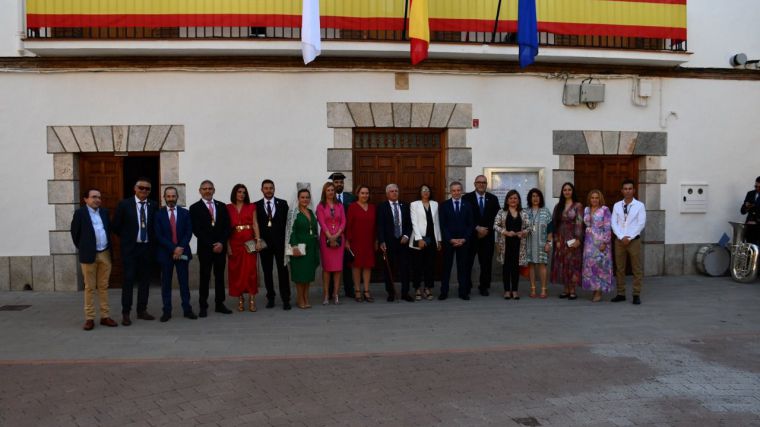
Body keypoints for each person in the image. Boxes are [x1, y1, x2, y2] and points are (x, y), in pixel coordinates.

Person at [111, 177, 157, 326]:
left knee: (145, 281)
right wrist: (127, 239)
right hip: (130, 249)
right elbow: (116, 226)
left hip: (147, 248)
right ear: (135, 189)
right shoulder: (124, 205)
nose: (144, 191)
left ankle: (142, 310)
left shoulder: (153, 205)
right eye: (141, 188)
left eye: (147, 189)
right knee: (128, 280)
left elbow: (155, 227)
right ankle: (126, 312)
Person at [70, 188, 118, 330]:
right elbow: (75, 234)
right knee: (89, 287)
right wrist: (85, 247)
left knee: (103, 287)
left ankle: (105, 316)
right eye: (94, 197)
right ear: (86, 199)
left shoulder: (104, 212)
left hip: (104, 253)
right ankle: (89, 318)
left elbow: (108, 230)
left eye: (99, 197)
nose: (97, 199)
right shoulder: (80, 214)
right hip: (89, 255)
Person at [189, 180, 233, 317]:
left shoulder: (222, 206)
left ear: (214, 190)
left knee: (219, 277)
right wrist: (211, 244)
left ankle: (220, 304)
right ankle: (203, 305)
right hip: (205, 249)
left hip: (220, 248)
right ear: (200, 191)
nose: (207, 191)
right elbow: (196, 230)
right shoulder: (194, 207)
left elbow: (227, 226)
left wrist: (221, 243)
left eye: (210, 188)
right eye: (204, 189)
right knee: (205, 277)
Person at [154, 187, 197, 322]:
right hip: (166, 254)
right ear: (164, 197)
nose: (171, 199)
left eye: (173, 196)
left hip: (183, 252)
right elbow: (159, 235)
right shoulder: (158, 214)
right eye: (168, 196)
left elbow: (188, 232)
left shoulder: (185, 213)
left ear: (177, 197)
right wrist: (174, 248)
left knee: (184, 282)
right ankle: (166, 311)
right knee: (166, 283)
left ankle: (187, 309)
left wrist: (180, 247)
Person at [254, 179, 291, 310]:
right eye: (266, 188)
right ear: (262, 190)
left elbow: (289, 224)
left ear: (274, 189)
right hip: (264, 244)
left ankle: (286, 299)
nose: (268, 190)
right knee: (267, 272)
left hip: (280, 243)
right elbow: (255, 225)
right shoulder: (256, 205)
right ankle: (270, 297)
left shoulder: (282, 203)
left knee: (283, 272)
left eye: (271, 188)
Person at [462, 175, 500, 296]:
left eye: (484, 182)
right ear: (475, 184)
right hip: (471, 237)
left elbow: (497, 218)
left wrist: (485, 230)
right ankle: (466, 285)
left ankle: (484, 286)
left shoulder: (493, 199)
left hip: (487, 237)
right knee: (468, 263)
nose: (481, 184)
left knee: (486, 264)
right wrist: (476, 228)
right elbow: (465, 218)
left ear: (486, 184)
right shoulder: (467, 198)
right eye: (479, 182)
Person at [611, 178, 646, 305]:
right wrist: (621, 237)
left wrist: (629, 237)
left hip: (634, 241)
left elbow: (641, 224)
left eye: (630, 189)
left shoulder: (639, 206)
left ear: (634, 190)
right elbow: (613, 223)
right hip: (620, 241)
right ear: (622, 191)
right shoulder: (616, 205)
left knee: (636, 268)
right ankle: (621, 293)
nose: (628, 191)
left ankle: (636, 294)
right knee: (620, 268)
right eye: (625, 189)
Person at [227, 184, 262, 312]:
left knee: (251, 271)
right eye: (239, 192)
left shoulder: (251, 206)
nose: (241, 194)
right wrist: (227, 246)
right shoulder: (228, 208)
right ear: (234, 193)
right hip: (234, 242)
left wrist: (258, 240)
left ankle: (252, 300)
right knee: (236, 272)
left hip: (249, 242)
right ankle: (240, 299)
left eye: (244, 192)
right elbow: (226, 229)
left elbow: (255, 223)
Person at [376, 183, 413, 302]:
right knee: (389, 269)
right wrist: (381, 240)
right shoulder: (382, 207)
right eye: (392, 191)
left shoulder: (405, 206)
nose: (394, 193)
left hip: (403, 242)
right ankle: (391, 293)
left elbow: (410, 223)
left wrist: (407, 235)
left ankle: (405, 293)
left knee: (405, 268)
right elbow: (380, 225)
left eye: (396, 191)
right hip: (389, 242)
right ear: (387, 194)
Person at [439, 181, 475, 301]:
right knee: (446, 267)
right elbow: (442, 225)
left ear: (461, 191)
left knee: (463, 267)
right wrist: (450, 239)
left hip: (464, 242)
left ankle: (463, 292)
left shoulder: (467, 205)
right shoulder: (444, 205)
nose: (456, 192)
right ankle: (444, 291)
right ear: (450, 191)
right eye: (453, 190)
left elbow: (471, 224)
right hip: (449, 242)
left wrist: (464, 239)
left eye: (458, 190)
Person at [285, 188, 320, 309]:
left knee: (308, 275)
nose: (305, 199)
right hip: (299, 248)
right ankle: (300, 299)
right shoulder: (294, 213)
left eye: (307, 197)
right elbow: (291, 231)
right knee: (300, 276)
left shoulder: (311, 212)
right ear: (298, 199)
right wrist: (294, 246)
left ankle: (306, 297)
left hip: (311, 247)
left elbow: (315, 228)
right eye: (302, 197)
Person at [550, 182, 584, 300]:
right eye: (565, 190)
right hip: (560, 238)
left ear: (572, 191)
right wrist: (555, 239)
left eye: (569, 190)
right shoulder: (558, 206)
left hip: (573, 238)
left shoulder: (578, 206)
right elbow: (554, 224)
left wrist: (578, 239)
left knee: (572, 263)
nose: (567, 192)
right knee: (562, 263)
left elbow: (579, 223)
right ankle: (565, 289)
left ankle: (573, 289)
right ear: (562, 192)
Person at [493, 190, 529, 300]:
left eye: (515, 198)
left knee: (515, 268)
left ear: (518, 200)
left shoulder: (523, 213)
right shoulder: (501, 212)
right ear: (507, 200)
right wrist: (506, 232)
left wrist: (523, 232)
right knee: (506, 268)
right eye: (511, 198)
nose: (513, 200)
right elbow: (495, 225)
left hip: (518, 245)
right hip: (505, 245)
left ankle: (515, 290)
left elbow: (530, 227)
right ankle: (507, 291)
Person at [409, 184, 441, 301]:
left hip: (431, 238)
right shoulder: (414, 204)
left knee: (430, 265)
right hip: (419, 238)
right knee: (417, 265)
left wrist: (439, 239)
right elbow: (414, 223)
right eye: (423, 190)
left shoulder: (435, 204)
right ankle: (417, 288)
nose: (426, 192)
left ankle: (428, 288)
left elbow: (437, 222)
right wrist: (419, 239)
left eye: (427, 190)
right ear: (420, 192)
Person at [345, 185, 377, 302]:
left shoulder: (373, 207)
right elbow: (348, 225)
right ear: (358, 194)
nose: (365, 195)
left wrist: (376, 240)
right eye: (362, 193)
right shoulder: (352, 207)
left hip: (369, 240)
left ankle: (366, 290)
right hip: (356, 240)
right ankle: (358, 290)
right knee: (357, 266)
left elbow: (375, 226)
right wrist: (347, 241)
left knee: (368, 265)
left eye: (367, 193)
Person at [316, 182, 346, 305]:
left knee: (338, 268)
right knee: (327, 269)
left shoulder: (340, 205)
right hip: (326, 238)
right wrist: (330, 236)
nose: (331, 192)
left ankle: (336, 293)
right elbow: (321, 222)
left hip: (339, 238)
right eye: (328, 190)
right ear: (324, 192)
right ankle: (326, 294)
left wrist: (337, 235)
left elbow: (344, 221)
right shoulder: (320, 206)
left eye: (332, 190)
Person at [582, 189, 614, 302]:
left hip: (601, 242)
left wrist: (605, 242)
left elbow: (607, 227)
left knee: (601, 267)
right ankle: (593, 288)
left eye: (596, 197)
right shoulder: (586, 209)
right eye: (592, 197)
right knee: (591, 266)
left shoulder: (604, 210)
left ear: (600, 199)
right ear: (589, 199)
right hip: (589, 243)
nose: (594, 200)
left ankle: (599, 290)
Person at [330, 172, 357, 298]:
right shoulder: (328, 198)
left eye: (341, 182)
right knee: (332, 263)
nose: (339, 184)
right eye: (336, 182)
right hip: (332, 234)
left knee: (347, 264)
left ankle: (349, 290)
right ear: (333, 183)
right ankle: (330, 291)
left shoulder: (350, 198)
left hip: (347, 234)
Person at [525, 188, 553, 299]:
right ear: (530, 198)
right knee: (531, 265)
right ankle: (532, 288)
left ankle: (543, 289)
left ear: (540, 198)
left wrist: (548, 243)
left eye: (537, 196)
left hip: (542, 244)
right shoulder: (526, 211)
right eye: (533, 196)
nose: (535, 198)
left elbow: (550, 229)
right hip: (529, 243)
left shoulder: (545, 211)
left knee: (542, 265)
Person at [740, 176, 760, 245]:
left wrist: (756, 221)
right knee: (749, 249)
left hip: (758, 228)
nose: (757, 188)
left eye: (759, 187)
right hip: (749, 228)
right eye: (755, 186)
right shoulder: (750, 194)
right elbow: (742, 211)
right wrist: (746, 206)